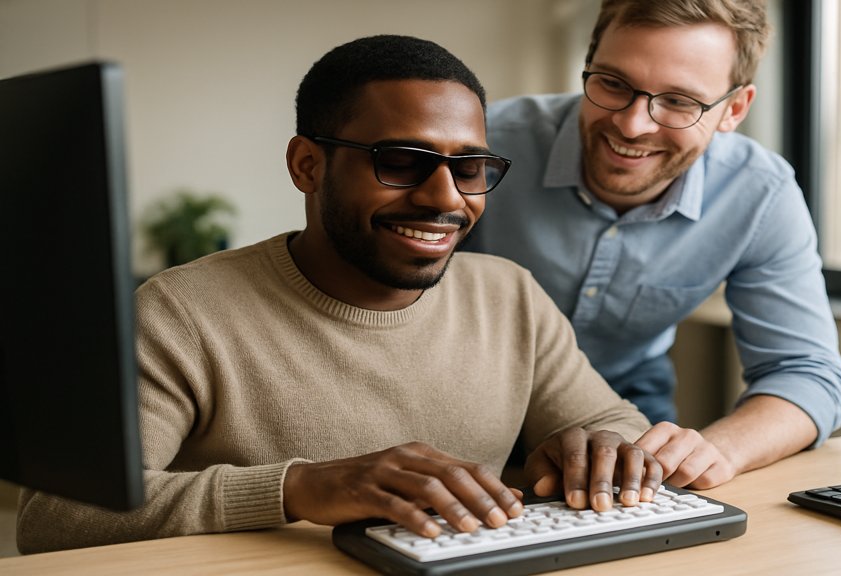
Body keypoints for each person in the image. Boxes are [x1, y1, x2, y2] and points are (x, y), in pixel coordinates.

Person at [15, 34, 716, 555]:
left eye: (469, 167)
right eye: (402, 161)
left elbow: (610, 422)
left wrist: (600, 448)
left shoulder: (509, 294)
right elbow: (54, 519)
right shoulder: (179, 314)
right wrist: (299, 489)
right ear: (307, 165)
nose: (445, 198)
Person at [463, 0, 841, 488]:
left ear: (734, 109)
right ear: (588, 63)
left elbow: (807, 373)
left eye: (680, 102)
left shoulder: (759, 194)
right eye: (612, 83)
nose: (632, 125)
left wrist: (717, 451)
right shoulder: (481, 146)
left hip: (625, 413)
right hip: (465, 401)